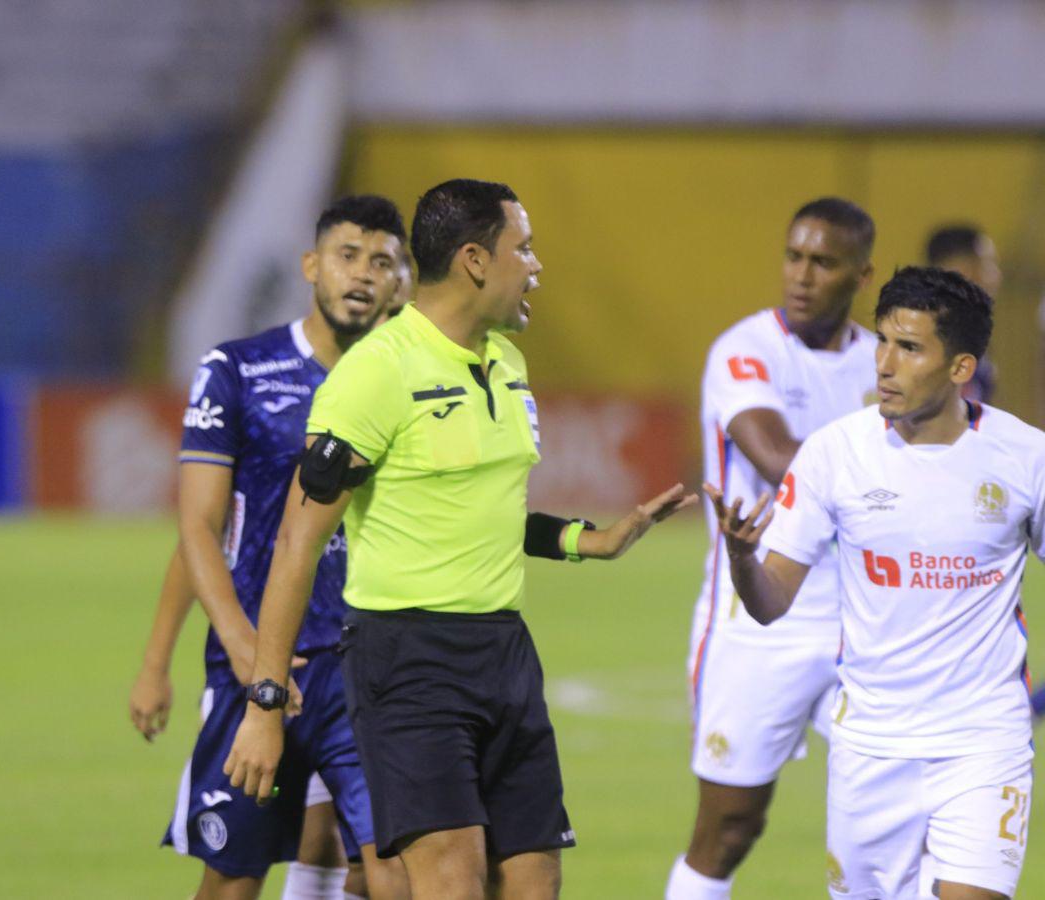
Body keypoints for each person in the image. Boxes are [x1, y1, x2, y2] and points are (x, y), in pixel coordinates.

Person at [222, 178, 697, 899]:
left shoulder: (506, 362)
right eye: (524, 248)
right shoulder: (374, 374)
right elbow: (297, 542)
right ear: (476, 260)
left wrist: (585, 542)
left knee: (534, 884)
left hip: (504, 653)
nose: (535, 266)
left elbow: (482, 510)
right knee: (452, 884)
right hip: (408, 662)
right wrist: (263, 704)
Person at [709, 266, 1042, 900]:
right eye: (882, 341)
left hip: (983, 741)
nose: (884, 364)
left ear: (960, 367)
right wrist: (744, 561)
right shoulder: (835, 453)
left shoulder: (1026, 459)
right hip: (870, 744)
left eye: (910, 348)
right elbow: (771, 602)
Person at [137, 194, 412, 900]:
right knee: (234, 879)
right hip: (258, 665)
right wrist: (232, 649)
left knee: (393, 869)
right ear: (312, 266)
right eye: (348, 256)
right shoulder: (237, 369)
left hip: (366, 666)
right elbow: (199, 528)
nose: (362, 275)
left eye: (382, 262)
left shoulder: (407, 377)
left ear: (400, 280)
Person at [668, 197, 877, 899]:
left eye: (824, 261)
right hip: (756, 617)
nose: (803, 274)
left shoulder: (883, 362)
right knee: (728, 828)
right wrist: (892, 478)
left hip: (863, 625)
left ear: (862, 273)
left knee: (877, 827)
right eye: (794, 256)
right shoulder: (745, 349)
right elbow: (774, 453)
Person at [925, 224, 1002, 403]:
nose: (997, 276)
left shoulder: (973, 336)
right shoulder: (923, 339)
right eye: (988, 266)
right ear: (959, 269)